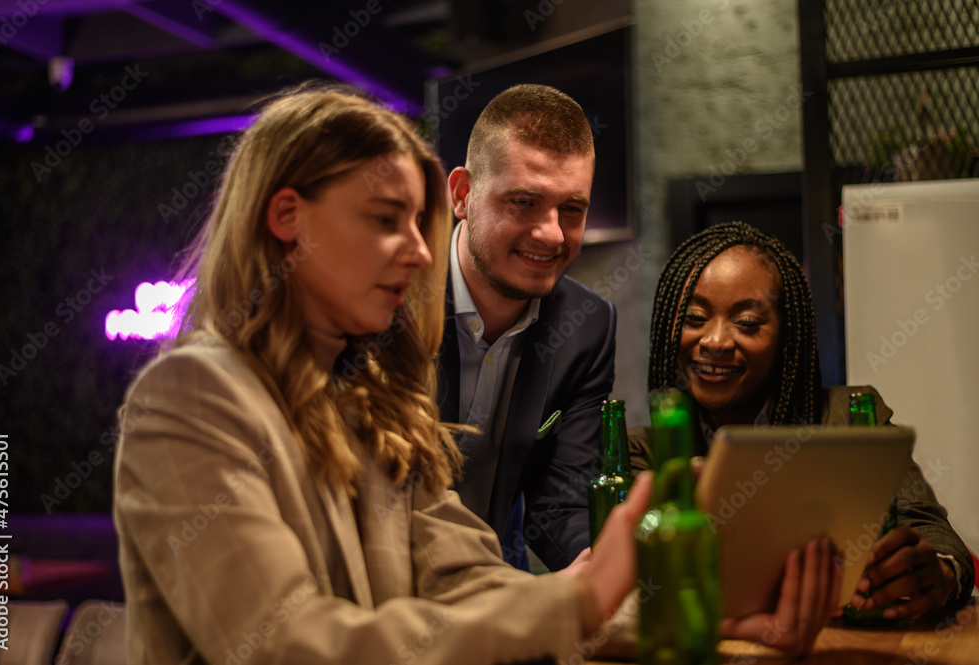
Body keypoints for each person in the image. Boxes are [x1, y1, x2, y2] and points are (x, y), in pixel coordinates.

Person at [113, 85, 652, 664]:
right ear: (287, 217)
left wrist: (680, 616)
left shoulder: (372, 398)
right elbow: (287, 645)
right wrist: (579, 605)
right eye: (385, 219)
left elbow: (468, 577)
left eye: (419, 223)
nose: (422, 253)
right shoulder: (188, 395)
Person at [631, 221, 975, 625]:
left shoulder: (850, 417)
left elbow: (935, 534)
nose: (716, 341)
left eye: (746, 323)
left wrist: (939, 573)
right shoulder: (646, 450)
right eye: (694, 317)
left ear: (785, 336)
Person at [440, 84, 617, 572]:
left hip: (495, 588)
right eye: (524, 201)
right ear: (463, 195)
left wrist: (607, 564)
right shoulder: (393, 294)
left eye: (572, 210)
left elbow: (561, 502)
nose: (553, 234)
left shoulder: (588, 328)